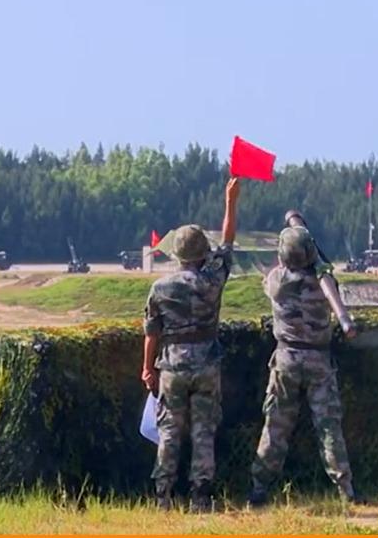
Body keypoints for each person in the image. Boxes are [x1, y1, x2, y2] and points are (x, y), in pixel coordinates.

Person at [248, 210, 359, 507]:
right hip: (319, 361)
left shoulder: (276, 282)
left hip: (286, 358)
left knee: (276, 425)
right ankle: (346, 489)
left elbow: (275, 271)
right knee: (328, 427)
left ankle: (259, 488)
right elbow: (327, 277)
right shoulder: (324, 284)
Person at [141, 177, 240, 513]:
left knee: (168, 431)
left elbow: (151, 332)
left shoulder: (160, 288)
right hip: (207, 364)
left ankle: (163, 497)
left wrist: (147, 369)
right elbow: (227, 242)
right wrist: (230, 201)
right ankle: (201, 497)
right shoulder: (213, 280)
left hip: (171, 366)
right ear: (201, 254)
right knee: (203, 431)